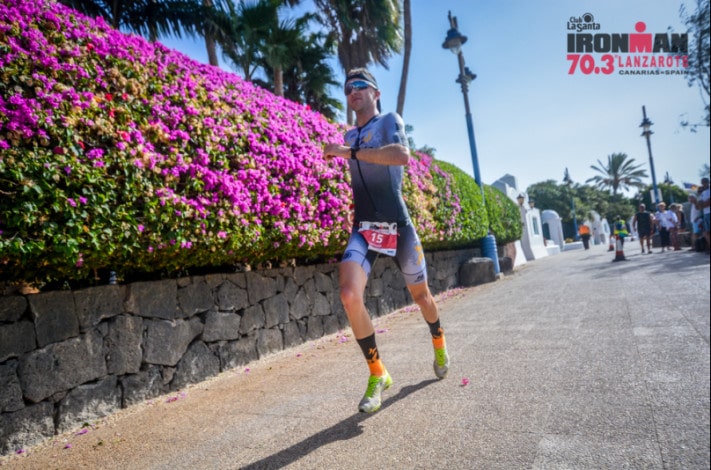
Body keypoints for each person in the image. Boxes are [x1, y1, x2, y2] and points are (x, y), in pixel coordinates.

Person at [323, 68, 449, 413]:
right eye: (349, 87)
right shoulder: (349, 135)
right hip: (364, 227)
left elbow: (400, 156)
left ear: (376, 93)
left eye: (361, 85)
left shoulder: (389, 120)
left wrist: (347, 153)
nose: (354, 91)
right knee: (349, 295)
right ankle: (378, 374)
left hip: (398, 227)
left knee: (422, 297)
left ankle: (439, 342)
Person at [699, 177, 711, 254]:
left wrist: (703, 204)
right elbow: (700, 204)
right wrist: (703, 204)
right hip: (705, 214)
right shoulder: (703, 193)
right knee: (707, 232)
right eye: (702, 182)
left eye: (705, 182)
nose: (703, 183)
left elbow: (708, 202)